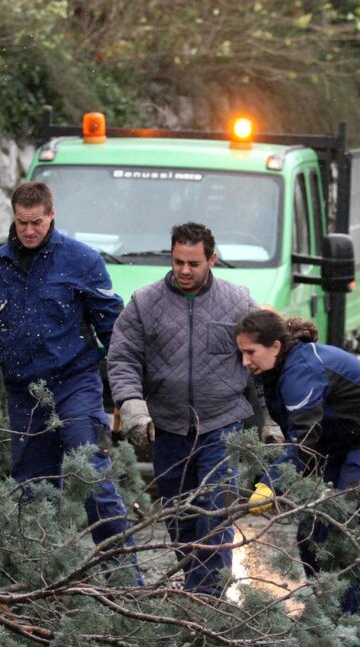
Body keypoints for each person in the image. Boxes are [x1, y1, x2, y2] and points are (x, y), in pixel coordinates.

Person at [0, 181, 140, 583]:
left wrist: (123, 392)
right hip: (24, 393)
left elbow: (114, 328)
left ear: (52, 215)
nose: (29, 231)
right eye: (22, 223)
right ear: (14, 217)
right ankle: (37, 583)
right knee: (33, 490)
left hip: (75, 382)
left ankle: (126, 577)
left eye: (37, 222)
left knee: (91, 475)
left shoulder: (81, 261)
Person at [107, 222, 258, 594]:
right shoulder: (145, 302)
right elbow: (122, 357)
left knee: (215, 510)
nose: (185, 271)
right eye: (178, 262)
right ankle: (198, 592)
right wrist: (131, 403)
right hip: (168, 427)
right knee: (180, 518)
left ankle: (207, 600)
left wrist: (273, 420)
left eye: (194, 263)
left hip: (221, 424)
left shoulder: (238, 301)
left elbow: (264, 356)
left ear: (212, 259)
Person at [235, 310, 360, 614]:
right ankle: (325, 611)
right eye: (241, 352)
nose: (245, 361)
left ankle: (347, 623)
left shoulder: (302, 370)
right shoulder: (273, 369)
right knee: (311, 529)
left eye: (251, 352)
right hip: (340, 439)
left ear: (275, 347)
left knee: (339, 526)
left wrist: (270, 484)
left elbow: (303, 441)